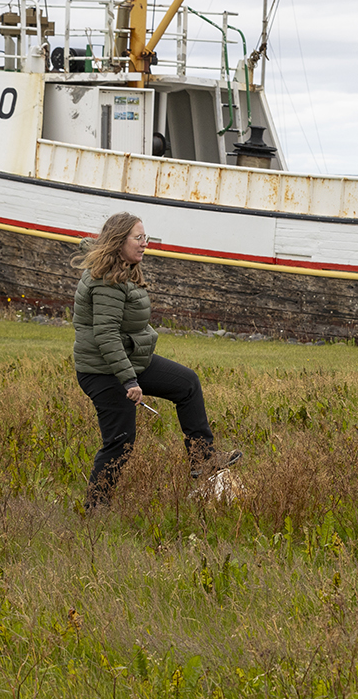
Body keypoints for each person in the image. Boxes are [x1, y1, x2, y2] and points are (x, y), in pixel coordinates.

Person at [72, 212, 239, 508]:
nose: (144, 244)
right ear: (118, 241)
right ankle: (96, 506)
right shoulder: (107, 280)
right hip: (103, 371)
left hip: (129, 360)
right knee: (120, 441)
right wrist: (129, 381)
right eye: (138, 238)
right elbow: (107, 335)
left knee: (187, 384)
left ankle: (203, 459)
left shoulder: (124, 270)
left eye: (145, 237)